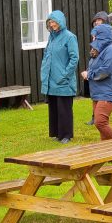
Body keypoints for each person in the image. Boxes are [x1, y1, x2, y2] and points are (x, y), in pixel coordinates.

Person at [40, 10, 79, 144]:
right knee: (54, 108)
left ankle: (67, 134)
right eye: (50, 22)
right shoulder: (51, 37)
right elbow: (47, 56)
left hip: (63, 80)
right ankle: (57, 133)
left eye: (54, 21)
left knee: (64, 109)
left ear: (60, 21)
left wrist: (65, 74)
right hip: (52, 80)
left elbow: (74, 58)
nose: (52, 24)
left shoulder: (69, 37)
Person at [81, 24, 112, 140]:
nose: (93, 38)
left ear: (103, 37)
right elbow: (94, 66)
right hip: (98, 91)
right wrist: (88, 72)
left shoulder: (111, 51)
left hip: (109, 91)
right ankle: (107, 154)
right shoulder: (98, 50)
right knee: (100, 124)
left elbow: (105, 70)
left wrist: (89, 74)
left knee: (100, 122)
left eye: (96, 36)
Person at [86, 11, 112, 125]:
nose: (97, 22)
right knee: (97, 91)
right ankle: (95, 117)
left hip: (111, 65)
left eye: (100, 20)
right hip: (99, 64)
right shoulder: (96, 34)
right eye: (95, 21)